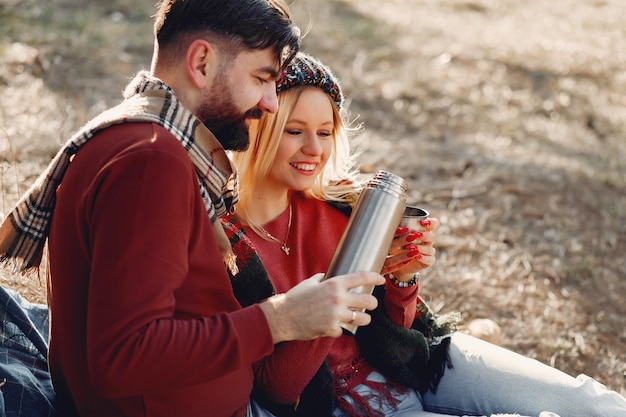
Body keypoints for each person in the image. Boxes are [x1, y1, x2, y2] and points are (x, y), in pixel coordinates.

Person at [0, 2, 385, 417]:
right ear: (201, 62)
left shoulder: (141, 140)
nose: (270, 103)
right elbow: (126, 356)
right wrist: (279, 319)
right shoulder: (151, 161)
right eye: (261, 78)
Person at [222, 52, 626, 417]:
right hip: (336, 405)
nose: (314, 149)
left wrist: (402, 277)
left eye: (325, 132)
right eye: (295, 131)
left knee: (592, 404)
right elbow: (277, 390)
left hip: (418, 368)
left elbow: (402, 329)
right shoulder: (228, 245)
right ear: (259, 129)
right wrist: (326, 311)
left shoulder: (343, 207)